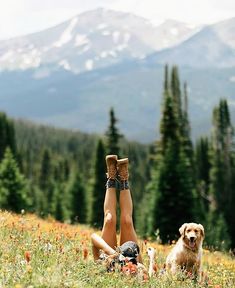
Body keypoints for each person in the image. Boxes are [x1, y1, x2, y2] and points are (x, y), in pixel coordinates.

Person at [91, 155, 143, 271]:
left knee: (109, 219)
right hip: (132, 259)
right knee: (127, 221)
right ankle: (124, 179)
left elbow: (93, 237)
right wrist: (152, 258)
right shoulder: (138, 274)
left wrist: (114, 254)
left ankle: (111, 178)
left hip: (109, 258)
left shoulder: (106, 272)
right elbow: (148, 274)